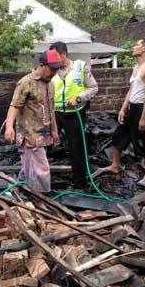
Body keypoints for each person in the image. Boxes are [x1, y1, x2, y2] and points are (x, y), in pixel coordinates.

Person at [94, 39, 145, 184]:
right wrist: (123, 108)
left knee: (142, 142)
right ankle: (115, 165)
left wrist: (143, 117)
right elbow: (131, 90)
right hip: (131, 107)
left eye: (137, 45)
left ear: (144, 49)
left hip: (141, 108)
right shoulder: (136, 67)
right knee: (119, 136)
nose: (133, 47)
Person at [4, 49, 61, 193]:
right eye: (52, 69)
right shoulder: (26, 82)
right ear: (42, 65)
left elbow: (50, 109)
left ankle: (15, 191)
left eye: (56, 69)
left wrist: (54, 131)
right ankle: (41, 199)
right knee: (41, 169)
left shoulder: (50, 84)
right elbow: (14, 105)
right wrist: (9, 126)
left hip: (44, 134)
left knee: (29, 167)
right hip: (30, 135)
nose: (54, 73)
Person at [49, 41, 99, 190]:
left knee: (76, 149)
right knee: (44, 144)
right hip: (55, 113)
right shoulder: (51, 70)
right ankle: (42, 182)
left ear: (63, 54)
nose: (52, 60)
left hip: (75, 113)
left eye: (55, 56)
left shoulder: (80, 67)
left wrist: (79, 99)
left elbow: (93, 88)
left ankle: (80, 184)